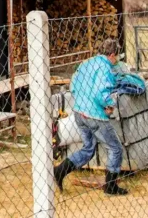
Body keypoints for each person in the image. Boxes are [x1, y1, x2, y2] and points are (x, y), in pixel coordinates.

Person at [54, 38, 129, 196]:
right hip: (95, 115)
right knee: (115, 148)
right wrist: (109, 105)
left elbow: (73, 85)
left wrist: (83, 100)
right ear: (112, 54)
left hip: (79, 112)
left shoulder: (87, 63)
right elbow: (100, 93)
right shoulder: (105, 68)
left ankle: (59, 171)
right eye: (117, 57)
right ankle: (111, 187)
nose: (117, 60)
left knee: (88, 149)